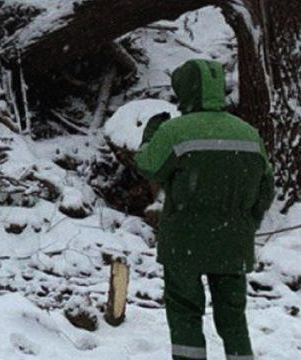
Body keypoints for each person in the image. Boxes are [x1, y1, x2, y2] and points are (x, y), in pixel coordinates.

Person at [135, 59, 275, 360]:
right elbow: (267, 188)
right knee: (233, 317)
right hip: (233, 243)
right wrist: (246, 222)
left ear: (186, 91)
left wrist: (150, 136)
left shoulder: (176, 131)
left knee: (185, 312)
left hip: (183, 241)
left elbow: (148, 167)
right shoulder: (249, 134)